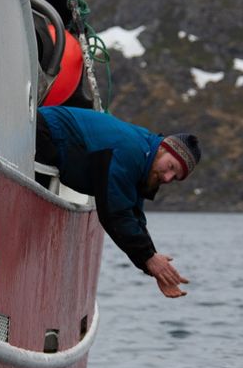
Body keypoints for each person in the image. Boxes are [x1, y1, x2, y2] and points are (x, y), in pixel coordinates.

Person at [35, 106, 202, 298]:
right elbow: (115, 213)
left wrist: (153, 263)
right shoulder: (131, 151)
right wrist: (149, 258)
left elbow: (133, 215)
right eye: (171, 167)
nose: (167, 177)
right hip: (44, 131)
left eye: (175, 177)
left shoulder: (145, 158)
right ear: (163, 148)